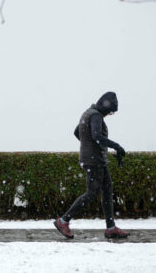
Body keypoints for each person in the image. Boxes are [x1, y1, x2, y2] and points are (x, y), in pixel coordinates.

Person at [54, 91, 130, 239]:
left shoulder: (88, 113)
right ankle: (63, 221)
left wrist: (89, 146)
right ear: (105, 106)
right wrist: (116, 146)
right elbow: (96, 136)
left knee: (107, 190)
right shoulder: (96, 116)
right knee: (91, 194)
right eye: (110, 111)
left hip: (96, 159)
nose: (109, 115)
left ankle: (111, 228)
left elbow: (77, 132)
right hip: (94, 161)